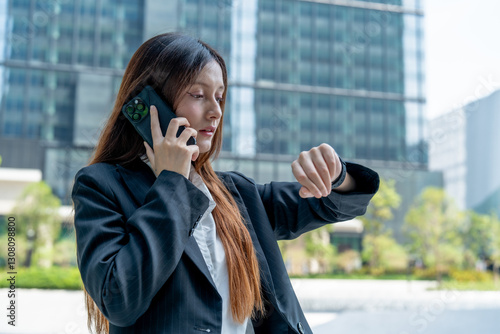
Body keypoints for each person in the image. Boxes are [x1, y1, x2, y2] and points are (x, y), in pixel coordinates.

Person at [71, 32, 379, 334]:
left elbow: (335, 204)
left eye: (219, 97)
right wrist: (172, 183)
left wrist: (336, 174)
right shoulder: (101, 186)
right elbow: (120, 299)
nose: (216, 111)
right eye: (198, 95)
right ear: (150, 101)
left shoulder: (238, 194)